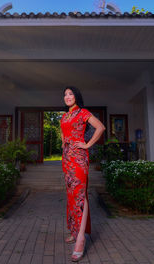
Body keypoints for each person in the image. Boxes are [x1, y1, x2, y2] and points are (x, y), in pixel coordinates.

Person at [60, 86, 106, 262]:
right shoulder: (64, 117)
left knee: (79, 195)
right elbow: (64, 138)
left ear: (77, 96)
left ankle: (80, 239)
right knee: (71, 194)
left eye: (70, 94)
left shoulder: (83, 113)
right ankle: (74, 230)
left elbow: (100, 127)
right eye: (65, 95)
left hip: (79, 160)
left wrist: (87, 145)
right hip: (66, 160)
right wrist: (65, 149)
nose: (67, 96)